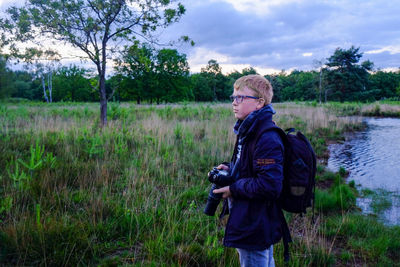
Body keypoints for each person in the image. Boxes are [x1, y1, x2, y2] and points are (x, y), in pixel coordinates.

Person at [213, 74, 285, 267]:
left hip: (255, 221)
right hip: (250, 216)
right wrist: (231, 169)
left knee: (255, 260)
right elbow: (252, 168)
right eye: (233, 98)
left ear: (259, 102)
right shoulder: (249, 129)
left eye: (240, 98)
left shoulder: (266, 137)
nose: (234, 103)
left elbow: (269, 185)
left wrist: (233, 189)